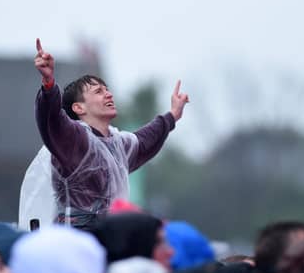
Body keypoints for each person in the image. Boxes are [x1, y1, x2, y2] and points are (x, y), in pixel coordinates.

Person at [20, 38, 189, 230]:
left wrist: (173, 115)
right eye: (99, 91)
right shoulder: (74, 139)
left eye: (107, 90)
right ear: (78, 107)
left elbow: (145, 140)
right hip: (75, 241)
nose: (108, 94)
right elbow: (51, 119)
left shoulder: (118, 144)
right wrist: (49, 85)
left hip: (110, 240)